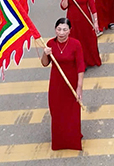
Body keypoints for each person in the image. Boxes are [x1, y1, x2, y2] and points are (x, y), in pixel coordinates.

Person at [41, 18, 84, 150]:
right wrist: (45, 53)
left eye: (65, 29)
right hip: (56, 83)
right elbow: (44, 63)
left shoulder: (76, 44)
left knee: (71, 112)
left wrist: (79, 87)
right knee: (57, 111)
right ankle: (59, 140)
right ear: (55, 29)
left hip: (70, 83)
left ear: (70, 31)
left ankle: (73, 138)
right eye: (59, 29)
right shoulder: (50, 44)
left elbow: (80, 67)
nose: (61, 33)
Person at [60, 0, 100, 67]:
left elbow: (93, 7)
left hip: (85, 20)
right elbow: (63, 6)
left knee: (89, 40)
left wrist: (96, 22)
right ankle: (79, 63)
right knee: (75, 42)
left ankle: (90, 60)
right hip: (72, 21)